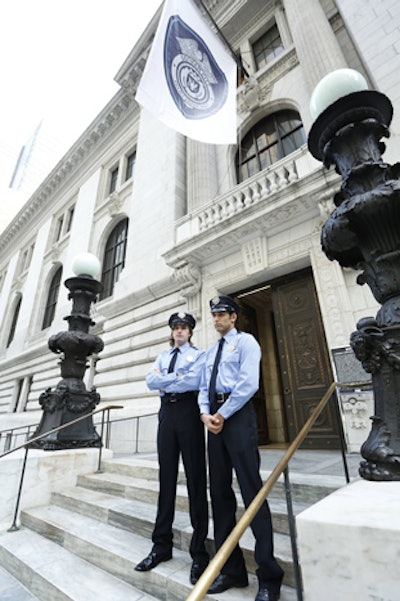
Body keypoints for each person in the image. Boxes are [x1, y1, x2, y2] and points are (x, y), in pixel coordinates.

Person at [198, 296, 284, 601]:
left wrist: (222, 414)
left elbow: (249, 383)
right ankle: (232, 569)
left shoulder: (247, 342)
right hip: (214, 423)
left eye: (221, 314)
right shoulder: (210, 352)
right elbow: (202, 387)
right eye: (214, 315)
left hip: (237, 417)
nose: (216, 319)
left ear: (233, 317)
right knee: (219, 494)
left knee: (252, 491)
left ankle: (269, 575)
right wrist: (205, 414)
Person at [135, 311, 209, 585]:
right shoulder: (163, 356)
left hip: (189, 414)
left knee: (195, 479)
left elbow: (195, 382)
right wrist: (175, 377)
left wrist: (166, 380)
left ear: (190, 332)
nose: (179, 331)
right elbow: (150, 381)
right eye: (176, 327)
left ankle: (199, 552)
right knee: (165, 478)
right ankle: (161, 545)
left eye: (184, 327)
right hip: (166, 414)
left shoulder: (199, 356)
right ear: (172, 331)